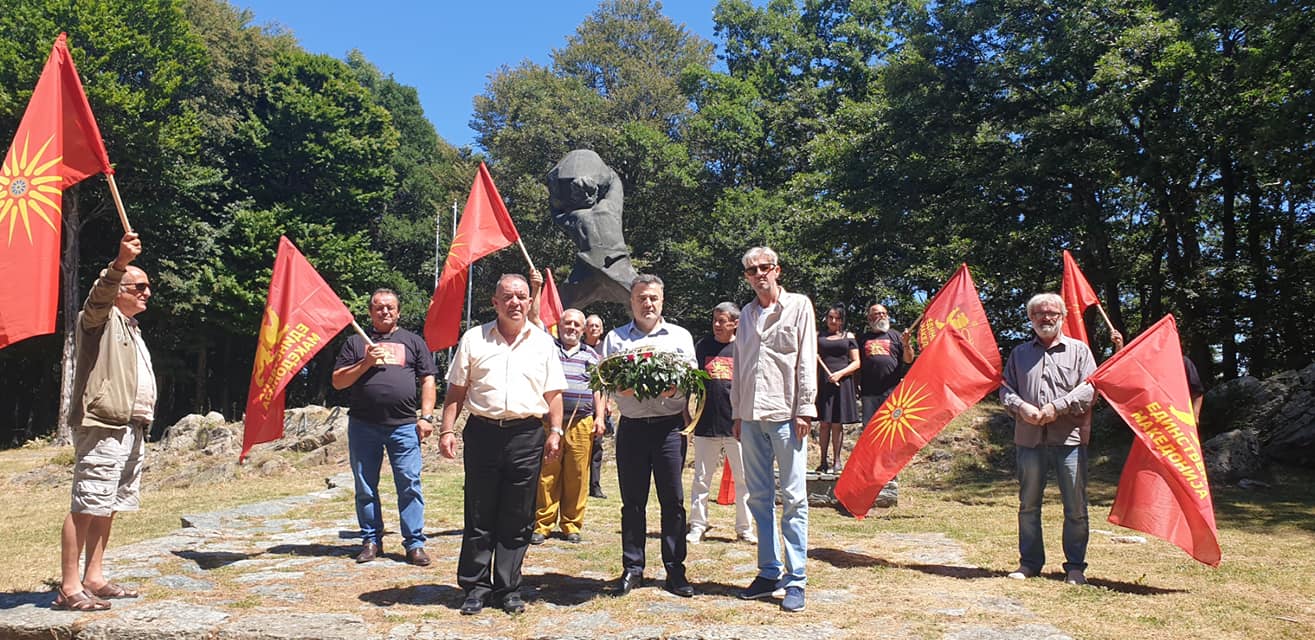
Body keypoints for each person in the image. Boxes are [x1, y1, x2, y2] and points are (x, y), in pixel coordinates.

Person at [440, 274, 566, 615]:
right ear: (494, 302)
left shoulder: (542, 343)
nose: (515, 302)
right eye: (507, 296)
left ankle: (508, 587)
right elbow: (456, 391)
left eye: (521, 296)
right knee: (479, 511)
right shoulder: (474, 339)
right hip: (483, 432)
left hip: (526, 435)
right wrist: (446, 430)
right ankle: (475, 586)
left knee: (518, 513)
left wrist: (555, 431)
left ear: (529, 301)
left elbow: (553, 393)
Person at [55, 232, 154, 611]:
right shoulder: (98, 318)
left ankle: (94, 576)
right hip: (103, 425)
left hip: (130, 426)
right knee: (86, 502)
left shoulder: (131, 325)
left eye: (147, 287)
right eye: (139, 286)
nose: (146, 293)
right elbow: (97, 297)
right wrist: (119, 263)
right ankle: (69, 586)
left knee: (107, 503)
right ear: (119, 290)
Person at [731, 246, 817, 613]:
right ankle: (768, 573)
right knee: (759, 498)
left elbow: (804, 359)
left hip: (786, 414)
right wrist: (736, 412)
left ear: (777, 270)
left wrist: (805, 409)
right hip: (750, 416)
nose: (759, 274)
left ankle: (795, 579)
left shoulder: (799, 306)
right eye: (752, 270)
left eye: (764, 268)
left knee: (794, 498)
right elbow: (739, 363)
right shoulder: (747, 314)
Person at [602, 274, 697, 598]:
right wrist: (621, 387)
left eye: (653, 298)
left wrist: (677, 388)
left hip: (669, 428)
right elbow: (606, 379)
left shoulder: (680, 337)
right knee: (633, 503)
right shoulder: (615, 339)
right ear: (631, 301)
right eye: (641, 297)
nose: (648, 303)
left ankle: (675, 570)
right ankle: (633, 568)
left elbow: (693, 380)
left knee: (673, 502)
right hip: (632, 428)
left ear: (662, 300)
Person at [332, 289, 437, 567]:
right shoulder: (355, 342)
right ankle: (370, 540)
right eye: (378, 308)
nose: (385, 312)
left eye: (390, 307)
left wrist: (426, 417)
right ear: (370, 313)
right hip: (364, 425)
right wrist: (365, 362)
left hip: (403, 426)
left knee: (410, 483)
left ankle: (414, 543)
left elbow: (428, 380)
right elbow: (338, 381)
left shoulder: (413, 341)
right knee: (365, 486)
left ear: (399, 311)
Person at [1000, 293, 1096, 586]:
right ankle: (1029, 563)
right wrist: (1021, 407)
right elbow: (1005, 389)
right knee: (1028, 505)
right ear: (1030, 319)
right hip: (1029, 440)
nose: (1046, 317)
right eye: (1039, 313)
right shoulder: (1019, 354)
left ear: (1063, 316)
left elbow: (1091, 388)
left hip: (1069, 438)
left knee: (1075, 507)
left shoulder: (1080, 351)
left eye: (1052, 313)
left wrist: (1059, 407)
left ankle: (1076, 567)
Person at [531, 308, 604, 544]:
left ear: (583, 330)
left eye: (576, 324)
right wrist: (537, 288)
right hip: (549, 422)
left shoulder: (592, 355)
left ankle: (571, 524)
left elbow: (599, 389)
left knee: (577, 474)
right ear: (559, 326)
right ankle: (543, 524)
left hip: (581, 421)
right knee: (547, 474)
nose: (571, 327)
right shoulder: (547, 349)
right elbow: (534, 318)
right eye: (567, 323)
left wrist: (600, 418)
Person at [687, 302, 755, 545]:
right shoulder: (703, 346)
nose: (716, 324)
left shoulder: (743, 347)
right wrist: (687, 413)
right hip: (706, 421)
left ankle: (744, 528)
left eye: (722, 320)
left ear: (735, 323)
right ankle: (697, 524)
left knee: (743, 479)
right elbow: (691, 381)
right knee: (702, 478)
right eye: (714, 319)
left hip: (738, 424)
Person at [857, 303, 915, 506]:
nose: (880, 316)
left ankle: (889, 474)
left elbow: (909, 360)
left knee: (891, 436)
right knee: (869, 435)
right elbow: (857, 365)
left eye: (883, 313)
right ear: (869, 318)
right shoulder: (862, 339)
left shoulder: (896, 336)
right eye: (876, 313)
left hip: (892, 396)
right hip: (869, 395)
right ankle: (870, 474)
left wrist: (907, 344)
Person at [815, 303, 860, 473]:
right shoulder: (818, 336)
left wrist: (840, 374)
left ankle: (837, 461)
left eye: (837, 318)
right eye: (830, 317)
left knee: (836, 424)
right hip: (823, 382)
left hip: (842, 382)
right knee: (824, 423)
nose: (833, 321)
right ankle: (822, 460)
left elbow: (857, 362)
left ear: (841, 320)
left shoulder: (848, 336)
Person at [584, 313, 611, 499]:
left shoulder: (606, 349)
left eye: (597, 326)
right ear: (584, 329)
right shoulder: (579, 347)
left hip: (600, 404)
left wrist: (608, 401)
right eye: (590, 325)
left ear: (601, 330)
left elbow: (609, 379)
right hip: (582, 403)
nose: (593, 328)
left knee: (596, 447)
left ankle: (594, 485)